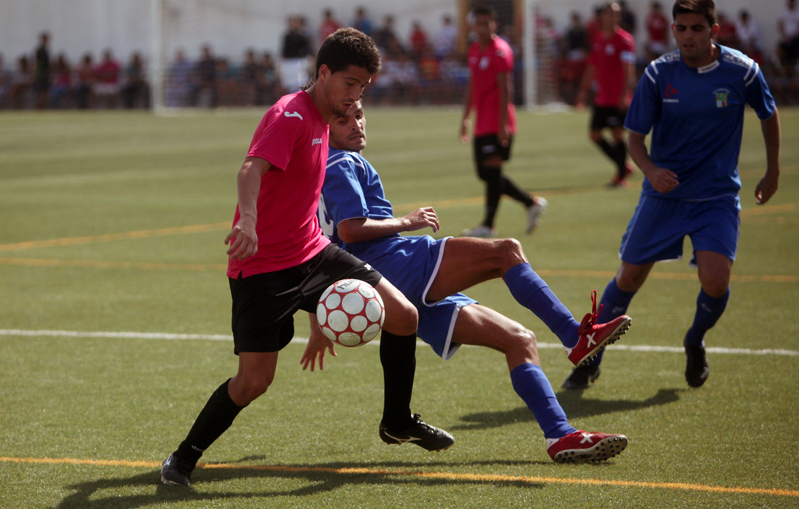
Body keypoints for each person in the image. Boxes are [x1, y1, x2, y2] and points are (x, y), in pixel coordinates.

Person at [160, 28, 452, 488]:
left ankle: (397, 420)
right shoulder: (291, 115)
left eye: (363, 87)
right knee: (254, 382)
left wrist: (319, 315)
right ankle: (183, 457)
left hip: (313, 252)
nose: (355, 96)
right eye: (350, 83)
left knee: (404, 315)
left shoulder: (327, 118)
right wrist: (248, 221)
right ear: (323, 72)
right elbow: (250, 168)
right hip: (261, 267)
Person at [309, 100, 631, 462]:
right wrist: (408, 221)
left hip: (389, 286)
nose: (356, 124)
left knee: (519, 340)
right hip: (396, 266)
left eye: (359, 115)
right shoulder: (341, 162)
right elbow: (351, 230)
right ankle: (575, 336)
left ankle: (561, 436)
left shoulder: (319, 169)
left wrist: (317, 320)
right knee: (506, 251)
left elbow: (320, 243)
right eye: (343, 120)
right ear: (326, 128)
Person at [562, 0, 781, 391]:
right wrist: (651, 171)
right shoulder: (658, 74)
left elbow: (768, 113)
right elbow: (634, 139)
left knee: (716, 282)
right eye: (681, 28)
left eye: (697, 28)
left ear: (714, 30)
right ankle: (592, 356)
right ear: (673, 29)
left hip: (715, 197)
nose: (688, 36)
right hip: (663, 197)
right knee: (629, 277)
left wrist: (773, 169)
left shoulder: (743, 71)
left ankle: (695, 340)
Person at [460, 5, 546, 238]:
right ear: (473, 26)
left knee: (493, 171)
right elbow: (472, 85)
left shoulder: (500, 51)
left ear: (494, 25)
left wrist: (503, 125)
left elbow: (505, 89)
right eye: (478, 23)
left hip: (497, 120)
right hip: (481, 122)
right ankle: (531, 203)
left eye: (486, 23)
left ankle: (488, 225)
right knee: (486, 174)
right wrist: (465, 118)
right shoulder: (474, 50)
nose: (482, 28)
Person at [576, 2, 637, 188]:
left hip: (617, 98)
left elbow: (628, 69)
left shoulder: (625, 40)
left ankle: (620, 177)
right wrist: (583, 91)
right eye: (609, 13)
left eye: (615, 14)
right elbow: (592, 66)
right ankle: (623, 165)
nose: (612, 17)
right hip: (602, 98)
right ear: (602, 16)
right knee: (594, 135)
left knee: (617, 134)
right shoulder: (599, 39)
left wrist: (624, 95)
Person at [280, 16, 312, 92]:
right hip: (288, 61)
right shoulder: (287, 36)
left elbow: (307, 48)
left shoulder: (303, 36)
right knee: (288, 82)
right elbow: (284, 49)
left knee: (300, 81)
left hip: (299, 61)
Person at [33, 32, 51, 110]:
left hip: (44, 74)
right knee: (42, 91)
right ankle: (40, 107)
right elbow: (38, 63)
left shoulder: (45, 50)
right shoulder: (40, 51)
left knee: (44, 91)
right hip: (42, 74)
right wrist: (37, 73)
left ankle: (42, 107)